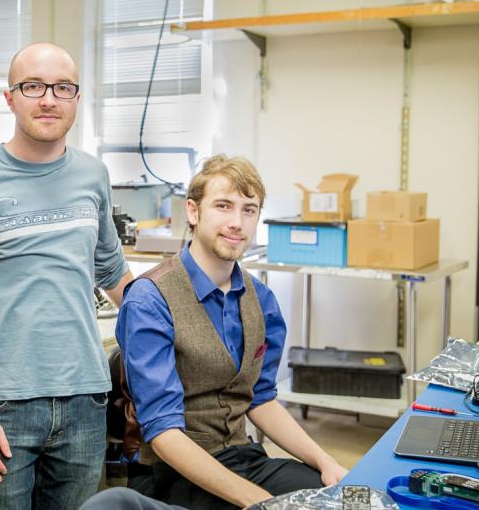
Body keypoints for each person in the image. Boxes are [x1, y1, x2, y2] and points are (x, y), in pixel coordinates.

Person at [0, 42, 133, 510]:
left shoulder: (93, 175)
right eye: (33, 86)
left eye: (62, 88)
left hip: (86, 401)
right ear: (10, 98)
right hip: (1, 409)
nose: (48, 99)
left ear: (76, 98)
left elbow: (112, 272)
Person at [116, 155, 348, 509]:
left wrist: (325, 462)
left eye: (249, 210)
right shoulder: (151, 299)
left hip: (242, 458)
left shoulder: (262, 300)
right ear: (193, 212)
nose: (236, 223)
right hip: (171, 473)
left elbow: (261, 398)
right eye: (223, 206)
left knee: (334, 499)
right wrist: (260, 502)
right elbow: (163, 434)